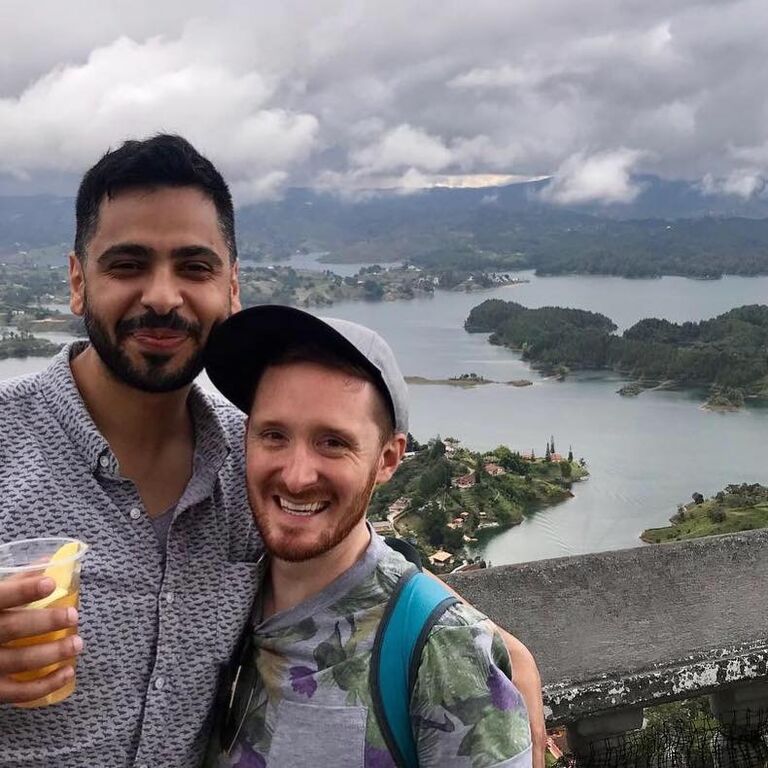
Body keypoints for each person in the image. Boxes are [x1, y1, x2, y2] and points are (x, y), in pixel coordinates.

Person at [0, 134, 544, 767]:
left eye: (194, 268)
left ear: (232, 289)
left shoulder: (253, 460)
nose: (161, 296)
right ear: (77, 281)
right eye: (127, 265)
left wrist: (488, 647)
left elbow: (354, 560)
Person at [203, 305, 533, 767]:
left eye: (333, 442)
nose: (296, 476)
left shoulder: (443, 650)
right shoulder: (219, 596)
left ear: (388, 458)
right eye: (274, 435)